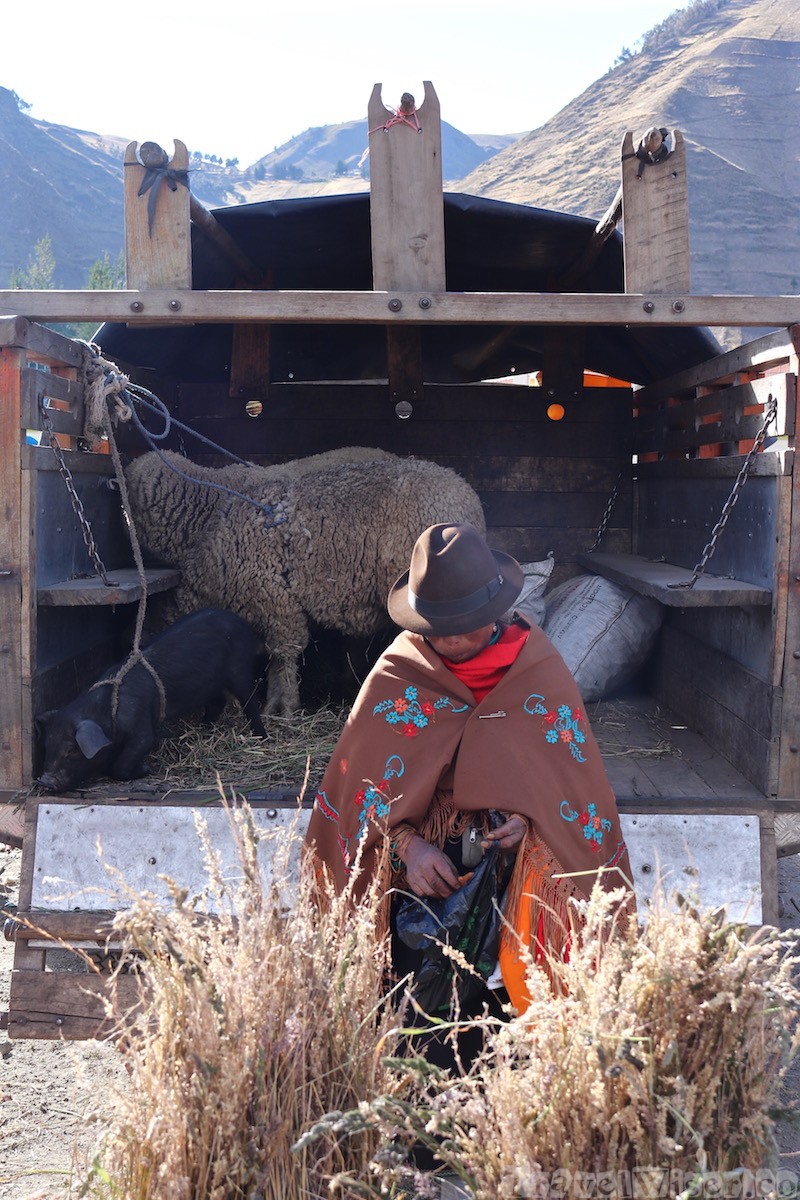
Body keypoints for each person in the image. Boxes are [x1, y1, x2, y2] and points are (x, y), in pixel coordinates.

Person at [304, 522, 633, 1022]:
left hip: (511, 864)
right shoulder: (400, 671)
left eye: (464, 624)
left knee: (551, 885)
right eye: (438, 628)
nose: (450, 641)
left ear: (496, 611)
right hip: (423, 868)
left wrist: (529, 826)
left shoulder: (537, 668)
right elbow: (359, 795)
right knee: (419, 1000)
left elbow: (567, 786)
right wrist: (407, 848)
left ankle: (538, 1025)